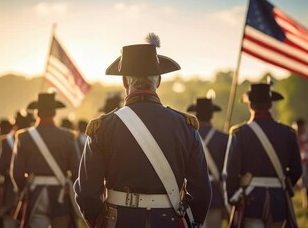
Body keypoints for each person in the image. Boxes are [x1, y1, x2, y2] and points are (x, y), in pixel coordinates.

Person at [74, 36, 211, 228]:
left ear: (124, 82)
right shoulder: (185, 126)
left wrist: (99, 222)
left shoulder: (103, 128)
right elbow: (201, 191)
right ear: (159, 81)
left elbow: (87, 192)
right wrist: (190, 221)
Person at [224, 83, 302, 228]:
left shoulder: (239, 133)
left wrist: (232, 197)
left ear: (251, 106)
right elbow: (297, 169)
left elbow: (231, 172)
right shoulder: (288, 133)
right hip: (278, 201)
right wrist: (281, 185)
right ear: (270, 105)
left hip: (250, 200)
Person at [10, 93, 79, 228]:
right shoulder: (68, 137)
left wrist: (25, 190)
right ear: (54, 113)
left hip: (36, 194)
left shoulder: (24, 137)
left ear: (37, 113)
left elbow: (17, 174)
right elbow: (77, 171)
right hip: (60, 195)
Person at [187, 94, 228, 228]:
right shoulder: (223, 138)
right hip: (215, 195)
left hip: (191, 195)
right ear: (211, 115)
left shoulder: (187, 137)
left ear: (196, 114)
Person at [0, 110, 34, 228]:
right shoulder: (33, 140)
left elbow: (0, 167)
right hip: (32, 187)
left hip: (11, 187)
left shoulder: (6, 141)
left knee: (10, 220)